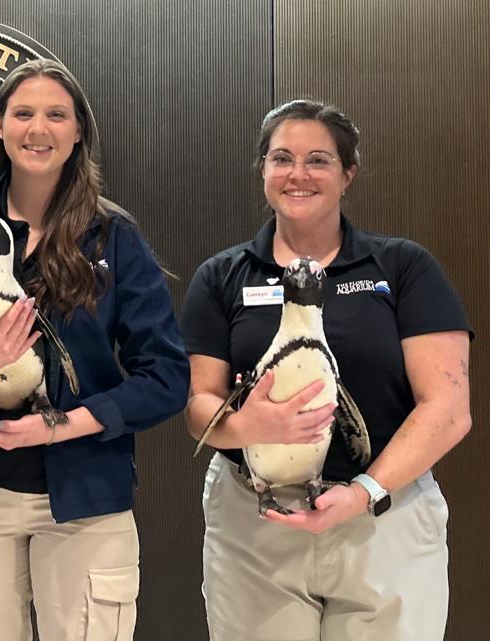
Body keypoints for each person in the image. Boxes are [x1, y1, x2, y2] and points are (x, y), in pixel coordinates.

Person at [0, 59, 189, 641]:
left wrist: (62, 425)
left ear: (79, 131)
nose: (40, 128)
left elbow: (165, 376)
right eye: (24, 113)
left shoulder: (115, 238)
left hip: (84, 497)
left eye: (57, 115)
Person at [181, 99, 472, 641]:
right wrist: (246, 427)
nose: (298, 174)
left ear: (347, 174)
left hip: (383, 515)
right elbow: (200, 405)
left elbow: (449, 410)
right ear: (263, 170)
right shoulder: (222, 276)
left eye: (318, 159)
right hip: (256, 517)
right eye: (281, 158)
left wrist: (364, 491)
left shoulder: (402, 267)